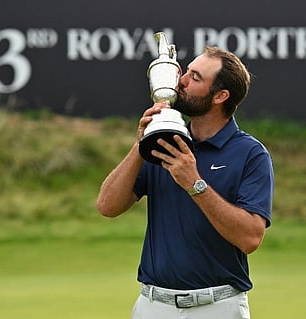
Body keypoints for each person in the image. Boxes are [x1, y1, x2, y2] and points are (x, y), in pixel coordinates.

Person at [96, 46, 274, 319]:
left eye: (196, 78)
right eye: (187, 71)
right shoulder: (162, 141)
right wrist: (140, 143)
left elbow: (250, 237)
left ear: (220, 96)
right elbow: (107, 206)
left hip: (218, 307)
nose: (182, 80)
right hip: (153, 305)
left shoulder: (251, 154)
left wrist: (195, 184)